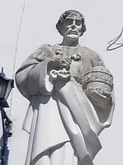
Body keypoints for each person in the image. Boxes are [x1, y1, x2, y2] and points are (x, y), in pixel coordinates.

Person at [15, 10, 115, 165]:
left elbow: (104, 88)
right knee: (45, 145)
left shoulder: (91, 56)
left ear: (82, 29)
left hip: (77, 112)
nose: (73, 26)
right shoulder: (47, 51)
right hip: (50, 107)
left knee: (69, 149)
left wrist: (100, 97)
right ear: (60, 27)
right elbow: (23, 76)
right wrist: (49, 63)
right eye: (69, 22)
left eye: (78, 23)